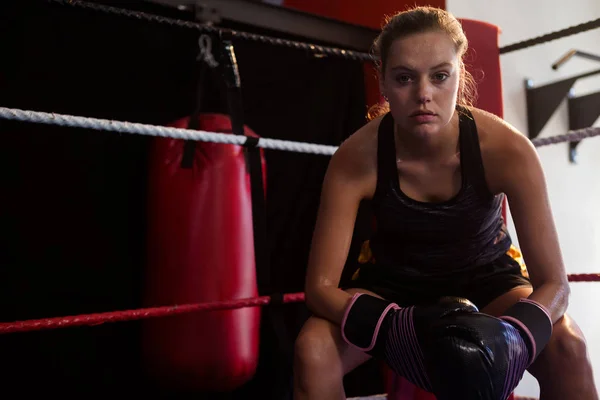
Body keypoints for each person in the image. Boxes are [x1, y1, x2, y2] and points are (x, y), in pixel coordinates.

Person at [293, 6, 598, 400]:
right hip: (392, 285)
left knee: (569, 348)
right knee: (312, 349)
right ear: (383, 80)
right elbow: (319, 289)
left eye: (440, 76)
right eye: (405, 78)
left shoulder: (506, 149)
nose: (424, 95)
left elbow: (556, 285)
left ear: (460, 76)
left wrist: (514, 337)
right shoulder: (357, 158)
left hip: (489, 279)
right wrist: (392, 327)